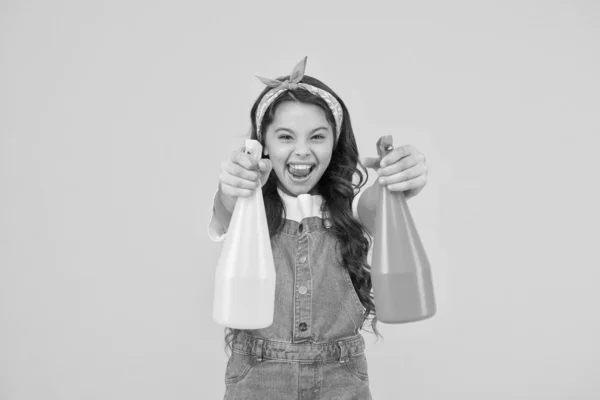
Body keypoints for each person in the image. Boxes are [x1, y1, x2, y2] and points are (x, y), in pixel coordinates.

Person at [208, 57, 428, 399]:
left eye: (317, 137)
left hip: (340, 378)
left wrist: (399, 179)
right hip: (258, 379)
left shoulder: (349, 208)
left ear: (334, 143)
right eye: (285, 136)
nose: (301, 151)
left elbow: (376, 204)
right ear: (263, 143)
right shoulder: (248, 209)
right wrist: (233, 188)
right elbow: (226, 207)